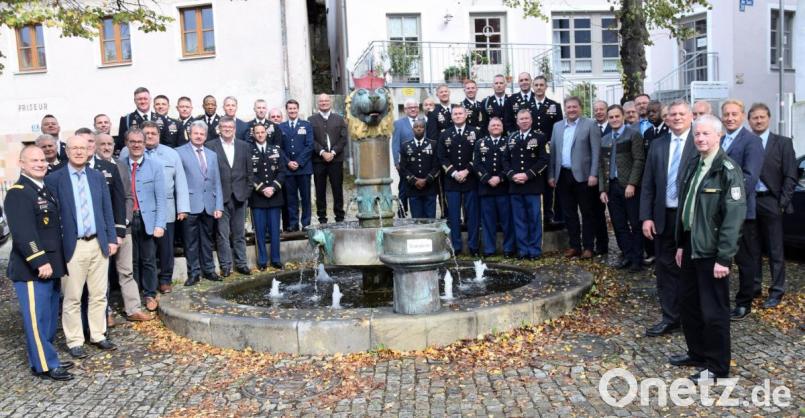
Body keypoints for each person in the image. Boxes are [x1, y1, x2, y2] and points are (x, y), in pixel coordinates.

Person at [670, 114, 746, 382]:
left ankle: (717, 367)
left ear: (718, 136)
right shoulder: (695, 164)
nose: (700, 138)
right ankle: (698, 354)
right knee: (688, 304)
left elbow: (733, 217)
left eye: (705, 134)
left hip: (713, 251)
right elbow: (687, 208)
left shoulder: (726, 170)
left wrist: (724, 258)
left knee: (714, 311)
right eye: (697, 134)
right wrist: (681, 244)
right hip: (691, 245)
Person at [45, 135, 118, 359]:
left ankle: (98, 334)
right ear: (66, 151)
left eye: (82, 148)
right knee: (72, 296)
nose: (78, 152)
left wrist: (112, 238)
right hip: (72, 246)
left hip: (98, 244)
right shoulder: (54, 179)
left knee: (99, 294)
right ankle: (75, 340)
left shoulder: (96, 177)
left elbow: (107, 210)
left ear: (89, 151)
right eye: (73, 148)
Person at [5, 146, 74, 381]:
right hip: (33, 270)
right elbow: (24, 234)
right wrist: (40, 261)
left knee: (47, 317)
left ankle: (45, 357)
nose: (40, 163)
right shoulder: (18, 193)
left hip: (52, 266)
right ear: (22, 163)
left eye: (43, 160)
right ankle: (46, 364)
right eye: (34, 160)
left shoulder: (43, 190)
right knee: (36, 320)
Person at [640, 99, 698, 337]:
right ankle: (670, 317)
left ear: (691, 116)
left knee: (690, 269)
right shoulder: (658, 144)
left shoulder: (700, 141)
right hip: (663, 216)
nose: (676, 118)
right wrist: (646, 217)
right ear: (666, 118)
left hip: (690, 218)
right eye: (672, 114)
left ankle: (692, 317)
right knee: (665, 269)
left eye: (681, 114)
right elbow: (648, 183)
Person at [120, 121, 190, 294]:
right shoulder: (125, 153)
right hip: (138, 209)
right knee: (143, 253)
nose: (150, 136)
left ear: (159, 135)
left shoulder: (170, 154)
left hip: (165, 207)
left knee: (165, 247)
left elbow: (180, 181)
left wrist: (183, 208)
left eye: (153, 133)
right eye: (147, 133)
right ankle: (141, 285)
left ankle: (165, 279)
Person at [747, 103, 797, 308]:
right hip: (750, 201)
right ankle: (755, 286)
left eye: (762, 117)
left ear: (769, 119)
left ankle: (776, 291)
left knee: (776, 250)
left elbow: (791, 175)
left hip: (771, 201)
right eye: (754, 118)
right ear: (749, 120)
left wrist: (781, 204)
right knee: (753, 248)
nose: (758, 121)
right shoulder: (746, 142)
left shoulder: (782, 143)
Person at [719, 100, 764, 321]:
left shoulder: (752, 141)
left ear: (742, 116)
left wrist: (725, 198)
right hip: (719, 212)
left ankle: (744, 303)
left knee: (745, 260)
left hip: (741, 211)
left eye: (734, 114)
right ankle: (721, 300)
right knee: (722, 256)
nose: (729, 118)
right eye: (726, 114)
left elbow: (749, 178)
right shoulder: (719, 138)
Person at [118, 129, 167, 311]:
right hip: (128, 220)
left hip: (148, 220)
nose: (136, 145)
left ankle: (149, 294)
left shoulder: (155, 165)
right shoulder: (119, 165)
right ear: (126, 143)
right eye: (132, 141)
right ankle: (132, 298)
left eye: (140, 141)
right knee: (130, 261)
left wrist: (160, 224)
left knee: (148, 259)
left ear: (145, 144)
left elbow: (161, 197)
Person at [548, 96, 601, 259]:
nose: (571, 110)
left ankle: (588, 247)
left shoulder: (590, 124)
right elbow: (554, 152)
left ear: (580, 108)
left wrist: (594, 174)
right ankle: (574, 246)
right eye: (568, 107)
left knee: (587, 212)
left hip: (584, 176)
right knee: (569, 213)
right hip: (563, 175)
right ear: (565, 109)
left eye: (574, 107)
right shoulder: (557, 126)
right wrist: (551, 174)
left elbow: (596, 151)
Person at [176, 121, 224, 286]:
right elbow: (178, 182)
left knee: (207, 241)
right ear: (190, 134)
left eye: (202, 134)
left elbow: (217, 181)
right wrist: (180, 206)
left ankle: (209, 270)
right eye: (196, 133)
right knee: (190, 242)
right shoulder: (179, 153)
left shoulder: (211, 154)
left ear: (205, 136)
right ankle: (194, 273)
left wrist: (218, 205)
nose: (198, 136)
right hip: (189, 205)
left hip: (209, 205)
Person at [598, 105, 644, 272]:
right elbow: (600, 166)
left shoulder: (633, 135)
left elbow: (639, 161)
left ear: (623, 116)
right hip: (612, 187)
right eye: (611, 117)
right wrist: (602, 189)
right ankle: (627, 255)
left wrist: (632, 184)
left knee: (635, 224)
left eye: (617, 116)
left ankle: (638, 259)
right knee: (619, 224)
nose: (614, 120)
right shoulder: (604, 140)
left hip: (629, 187)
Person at [206, 116, 253, 276]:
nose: (227, 129)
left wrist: (246, 193)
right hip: (221, 198)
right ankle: (226, 266)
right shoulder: (210, 146)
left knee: (239, 234)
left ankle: (241, 263)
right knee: (222, 234)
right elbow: (209, 175)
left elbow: (249, 173)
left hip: (240, 197)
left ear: (234, 129)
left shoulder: (244, 146)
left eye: (230, 127)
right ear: (219, 128)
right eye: (224, 126)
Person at [506, 111, 550, 259]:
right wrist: (512, 175)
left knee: (534, 219)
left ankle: (535, 250)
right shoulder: (511, 138)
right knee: (519, 220)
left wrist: (528, 175)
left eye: (526, 118)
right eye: (521, 119)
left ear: (531, 120)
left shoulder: (540, 137)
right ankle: (522, 250)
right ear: (517, 121)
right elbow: (504, 161)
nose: (524, 121)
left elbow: (544, 160)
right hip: (515, 185)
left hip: (533, 185)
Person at [438, 105, 480, 255]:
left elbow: (478, 155)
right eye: (455, 114)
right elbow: (441, 157)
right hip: (452, 182)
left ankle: (473, 247)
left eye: (460, 113)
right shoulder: (444, 135)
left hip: (471, 180)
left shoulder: (476, 132)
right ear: (451, 116)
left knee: (473, 216)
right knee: (454, 218)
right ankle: (456, 247)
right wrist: (455, 173)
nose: (457, 116)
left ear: (466, 115)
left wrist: (467, 170)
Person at [474, 117, 514, 257]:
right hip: (486, 188)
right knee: (488, 222)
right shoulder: (480, 143)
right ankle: (489, 249)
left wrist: (500, 177)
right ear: (489, 128)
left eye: (498, 125)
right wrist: (487, 178)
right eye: (493, 125)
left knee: (507, 221)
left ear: (502, 128)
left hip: (504, 188)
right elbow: (477, 164)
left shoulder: (509, 142)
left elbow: (511, 163)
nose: (496, 127)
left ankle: (508, 249)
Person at [249, 123, 286, 270]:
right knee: (259, 231)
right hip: (258, 197)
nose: (260, 134)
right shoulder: (248, 151)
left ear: (266, 133)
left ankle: (276, 259)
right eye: (257, 132)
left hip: (275, 196)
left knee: (275, 230)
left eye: (262, 132)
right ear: (253, 134)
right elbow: (249, 174)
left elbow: (282, 172)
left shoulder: (276, 150)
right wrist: (262, 188)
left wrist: (274, 187)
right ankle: (263, 261)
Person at [309, 94, 347, 224]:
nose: (324, 103)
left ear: (330, 102)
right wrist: (322, 152)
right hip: (318, 160)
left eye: (326, 100)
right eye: (321, 101)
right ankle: (322, 218)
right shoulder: (311, 120)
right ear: (318, 103)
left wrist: (334, 152)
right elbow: (310, 139)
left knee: (337, 188)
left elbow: (343, 139)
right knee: (320, 189)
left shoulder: (339, 119)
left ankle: (339, 217)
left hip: (335, 160)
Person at [533, 75, 565, 230]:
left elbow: (559, 128)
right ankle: (535, 216)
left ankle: (548, 216)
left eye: (541, 85)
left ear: (546, 87)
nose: (539, 87)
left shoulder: (554, 105)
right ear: (533, 87)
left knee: (549, 183)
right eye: (536, 85)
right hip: (531, 152)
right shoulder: (525, 106)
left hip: (548, 151)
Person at [279, 99, 313, 231]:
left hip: (303, 168)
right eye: (290, 109)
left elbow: (309, 145)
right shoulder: (281, 127)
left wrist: (298, 162)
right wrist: (288, 162)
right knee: (291, 199)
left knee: (305, 197)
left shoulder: (306, 125)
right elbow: (279, 148)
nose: (292, 111)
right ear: (286, 110)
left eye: (294, 108)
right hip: (288, 170)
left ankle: (306, 223)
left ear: (298, 110)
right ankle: (293, 224)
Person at [399, 119, 440, 218]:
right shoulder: (405, 145)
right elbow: (403, 167)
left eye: (421, 127)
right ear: (412, 129)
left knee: (430, 218)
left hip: (429, 187)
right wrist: (414, 180)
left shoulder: (433, 144)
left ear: (424, 129)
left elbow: (437, 165)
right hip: (413, 188)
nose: (418, 129)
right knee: (417, 218)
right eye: (416, 127)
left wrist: (427, 180)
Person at [391, 99, 420, 217]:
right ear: (405, 109)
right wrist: (397, 162)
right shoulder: (398, 124)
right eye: (410, 107)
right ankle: (402, 212)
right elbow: (395, 143)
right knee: (404, 188)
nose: (413, 109)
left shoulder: (424, 122)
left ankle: (417, 213)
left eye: (415, 107)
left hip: (420, 163)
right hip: (405, 163)